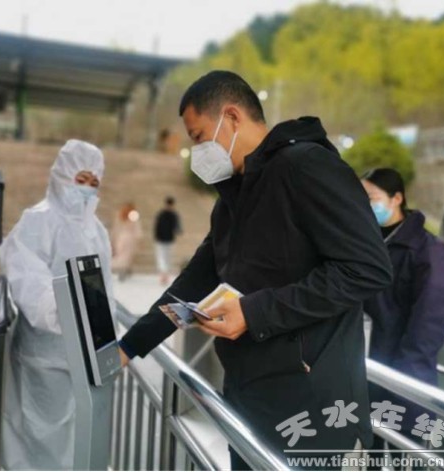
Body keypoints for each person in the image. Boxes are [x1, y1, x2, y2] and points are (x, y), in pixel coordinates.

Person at [116, 71, 393, 469]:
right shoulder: (233, 198)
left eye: (198, 137)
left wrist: (254, 312)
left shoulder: (306, 167)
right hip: (249, 399)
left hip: (313, 405)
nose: (196, 152)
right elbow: (196, 279)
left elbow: (367, 268)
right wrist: (130, 346)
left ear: (231, 116)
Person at [0, 139, 116, 470]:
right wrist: (70, 316)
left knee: (73, 440)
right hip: (43, 356)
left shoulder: (96, 230)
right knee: (38, 438)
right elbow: (29, 284)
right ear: (62, 175)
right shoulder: (37, 221)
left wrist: (103, 334)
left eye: (94, 182)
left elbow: (105, 288)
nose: (87, 189)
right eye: (81, 179)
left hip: (83, 357)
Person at [361, 168, 444, 444]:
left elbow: (429, 324)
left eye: (371, 197)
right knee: (373, 450)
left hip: (404, 379)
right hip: (368, 371)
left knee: (406, 453)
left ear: (397, 198)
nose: (366, 205)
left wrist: (401, 382)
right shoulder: (366, 243)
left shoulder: (428, 251)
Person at [153, 196, 182, 285]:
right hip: (165, 239)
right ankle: (164, 275)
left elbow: (156, 226)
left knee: (164, 257)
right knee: (165, 257)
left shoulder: (162, 214)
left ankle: (164, 275)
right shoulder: (172, 215)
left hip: (165, 239)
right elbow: (178, 228)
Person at [111, 202, 142, 281]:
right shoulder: (133, 215)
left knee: (121, 255)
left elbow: (116, 228)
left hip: (121, 238)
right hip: (130, 239)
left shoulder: (120, 215)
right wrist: (139, 238)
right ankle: (124, 270)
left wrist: (114, 239)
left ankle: (122, 270)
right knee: (127, 257)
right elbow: (137, 228)